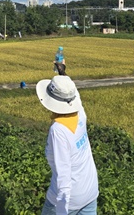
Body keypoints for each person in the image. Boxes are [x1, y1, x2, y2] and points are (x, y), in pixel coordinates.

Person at [36, 75, 99, 215]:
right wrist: (63, 75)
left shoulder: (58, 130)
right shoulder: (80, 113)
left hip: (70, 200)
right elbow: (74, 94)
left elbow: (63, 174)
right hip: (90, 190)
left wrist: (61, 210)